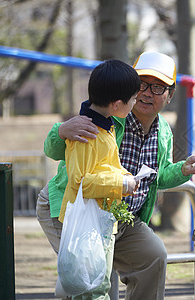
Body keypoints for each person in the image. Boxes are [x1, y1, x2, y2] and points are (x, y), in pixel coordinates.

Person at [36, 51, 195, 300]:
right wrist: (64, 130)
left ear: (170, 95)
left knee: (153, 255)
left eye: (157, 87)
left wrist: (185, 169)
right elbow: (57, 152)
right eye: (141, 84)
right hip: (75, 210)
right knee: (93, 278)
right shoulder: (106, 116)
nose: (146, 93)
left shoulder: (163, 130)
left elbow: (158, 177)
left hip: (119, 216)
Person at [58, 58, 140, 299]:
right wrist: (120, 183)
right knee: (91, 288)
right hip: (86, 224)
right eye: (133, 99)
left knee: (97, 284)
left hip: (99, 220)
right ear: (116, 105)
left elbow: (105, 167)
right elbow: (81, 181)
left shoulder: (105, 127)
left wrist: (125, 177)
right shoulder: (87, 133)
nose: (135, 102)